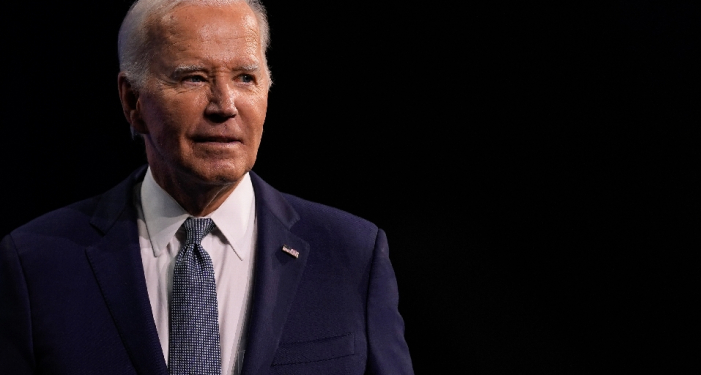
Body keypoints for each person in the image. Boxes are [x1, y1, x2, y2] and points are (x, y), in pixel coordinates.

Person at [0, 0, 414, 374]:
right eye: (194, 78)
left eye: (245, 78)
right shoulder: (36, 263)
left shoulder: (352, 255)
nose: (225, 105)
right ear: (132, 102)